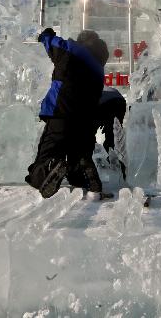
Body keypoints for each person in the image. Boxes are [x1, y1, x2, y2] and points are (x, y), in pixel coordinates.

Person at [26, 28, 107, 198]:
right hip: (86, 121)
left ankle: (48, 167)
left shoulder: (72, 48)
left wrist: (46, 34)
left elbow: (51, 42)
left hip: (62, 112)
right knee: (79, 156)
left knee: (47, 153)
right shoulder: (99, 68)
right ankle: (84, 173)